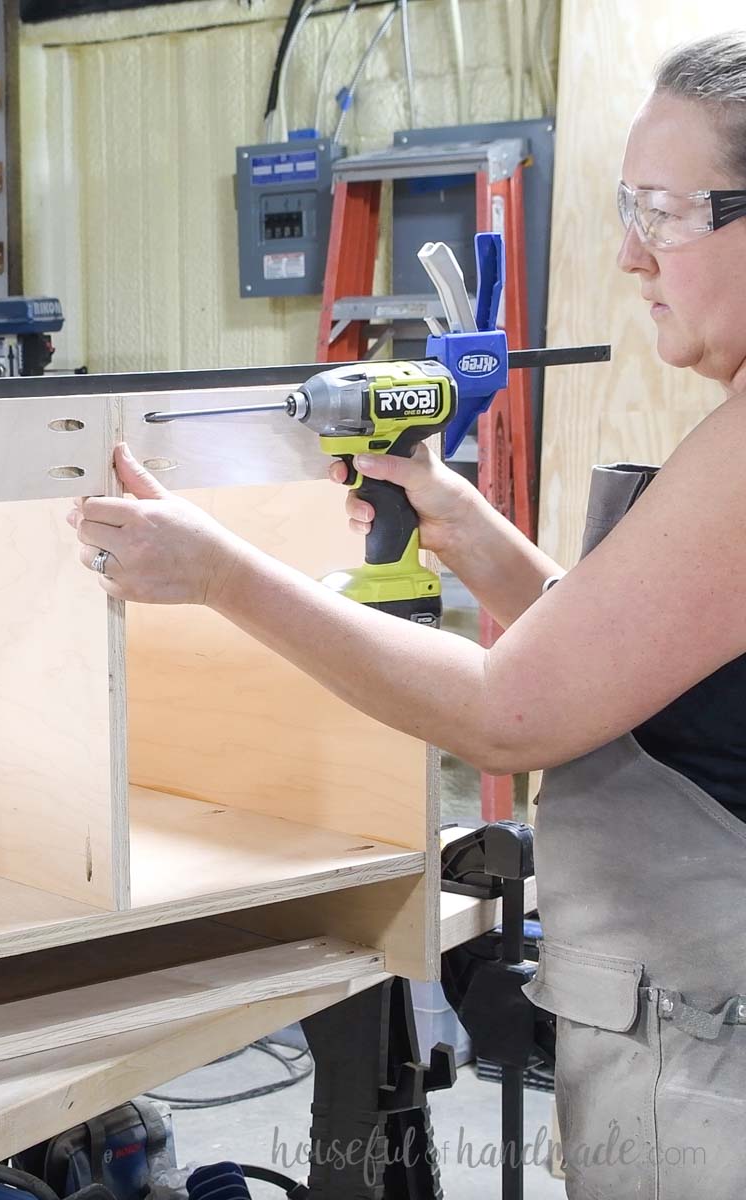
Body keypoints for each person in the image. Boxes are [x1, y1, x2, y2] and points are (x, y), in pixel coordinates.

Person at [68, 31, 746, 1200]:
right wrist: (469, 528)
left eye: (666, 212)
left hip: (711, 1045)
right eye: (626, 205)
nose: (631, 254)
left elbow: (515, 711)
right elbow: (640, 668)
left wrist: (220, 574)